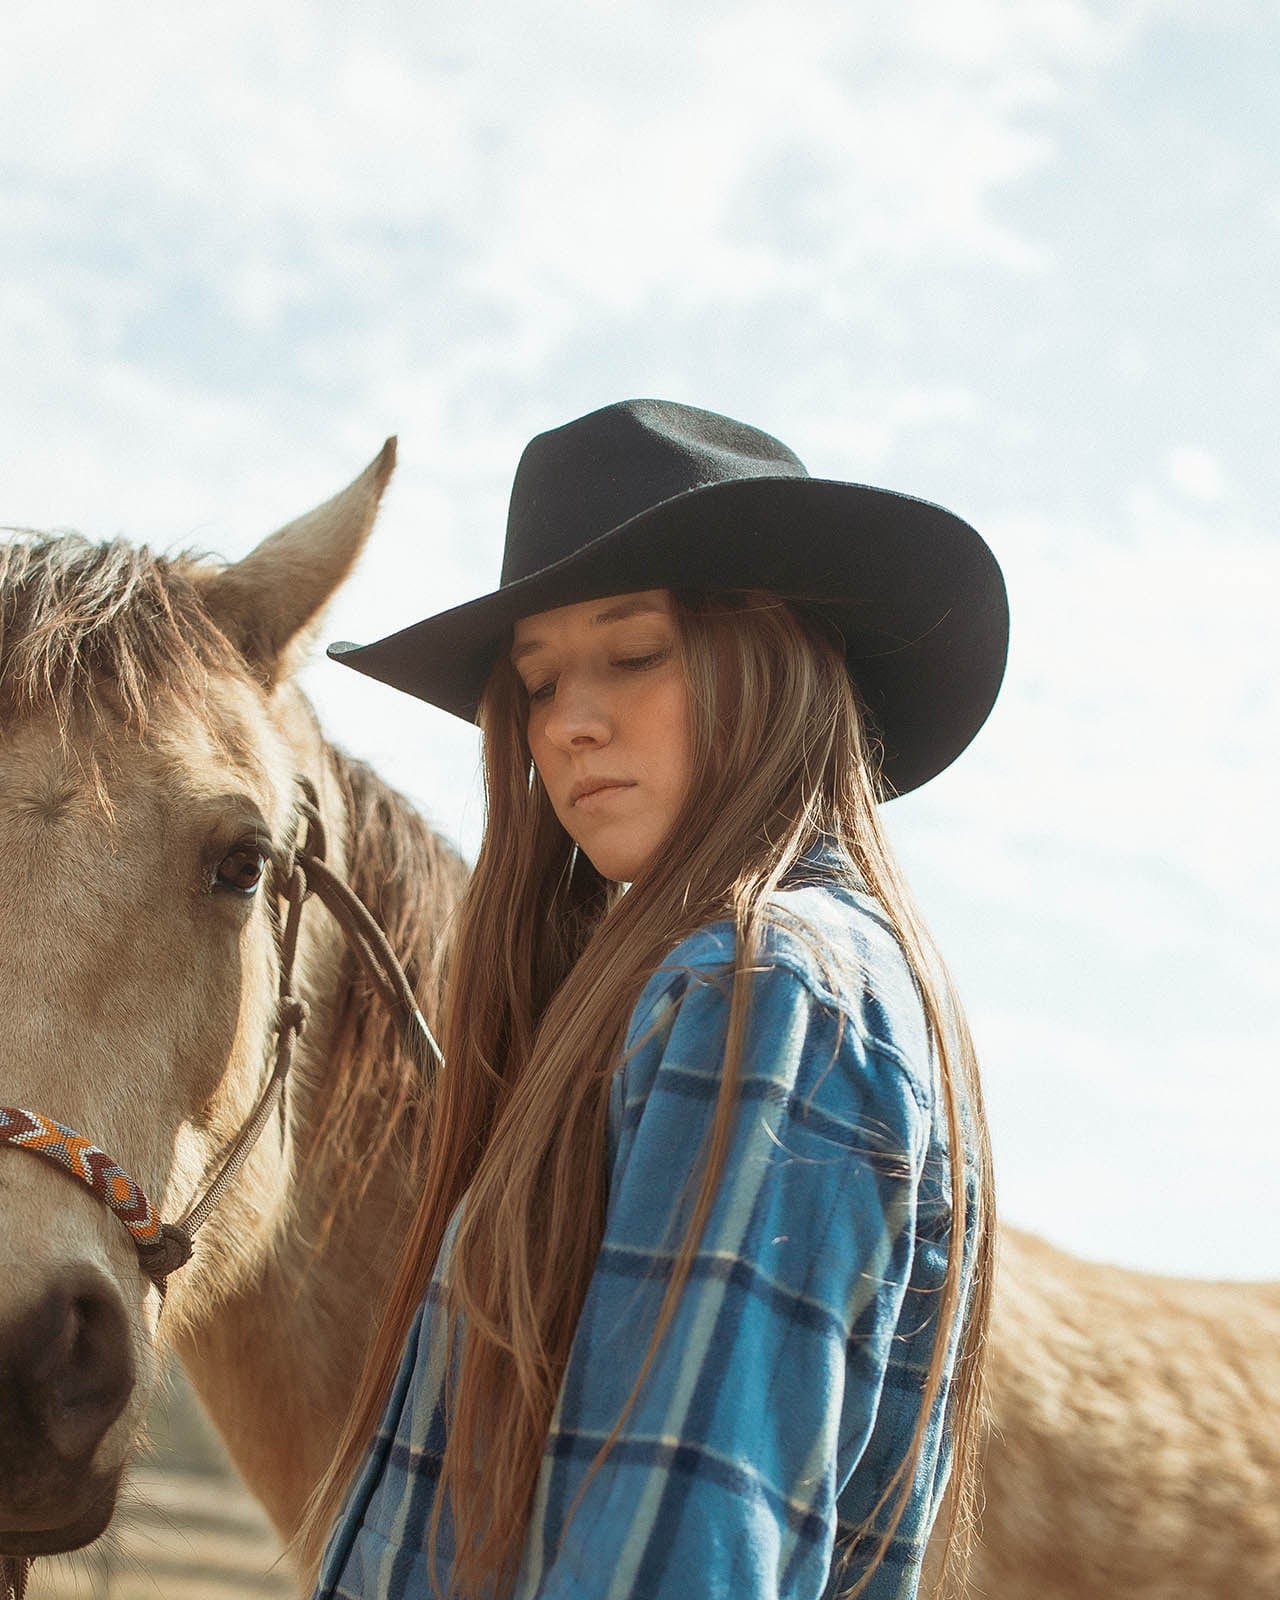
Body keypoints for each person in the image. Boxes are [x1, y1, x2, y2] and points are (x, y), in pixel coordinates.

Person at [299, 399, 1007, 1600]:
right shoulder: (699, 988)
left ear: (775, 659)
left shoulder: (760, 991)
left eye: (632, 655)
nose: (569, 723)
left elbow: (677, 1554)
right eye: (535, 683)